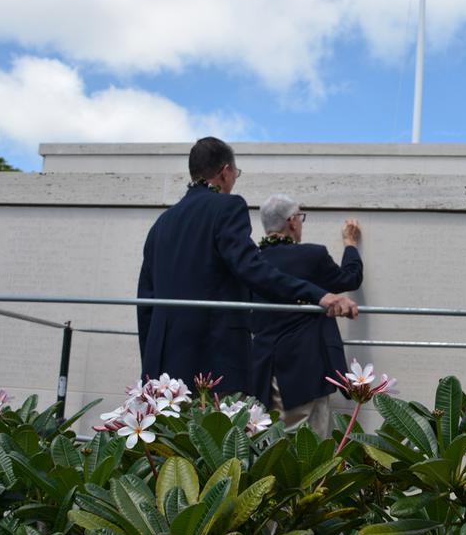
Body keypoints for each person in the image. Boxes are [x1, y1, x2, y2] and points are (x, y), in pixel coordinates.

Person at [136, 137, 358, 393]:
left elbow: (146, 302)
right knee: (214, 431)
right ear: (225, 171)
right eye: (236, 173)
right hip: (213, 358)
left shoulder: (162, 223)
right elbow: (253, 269)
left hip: (163, 363)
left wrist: (150, 364)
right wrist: (318, 295)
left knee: (171, 432)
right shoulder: (227, 206)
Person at [251, 194, 363, 435]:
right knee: (312, 446)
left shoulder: (252, 263)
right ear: (292, 221)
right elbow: (350, 278)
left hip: (262, 369)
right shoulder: (311, 256)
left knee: (269, 442)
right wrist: (350, 245)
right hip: (306, 366)